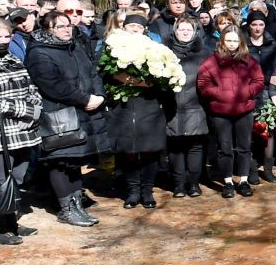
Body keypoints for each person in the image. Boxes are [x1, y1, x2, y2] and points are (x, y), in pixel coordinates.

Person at [24, 11, 110, 227]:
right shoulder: (39, 52)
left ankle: (76, 204)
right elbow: (51, 85)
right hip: (59, 115)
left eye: (68, 25)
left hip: (83, 111)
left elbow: (92, 72)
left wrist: (99, 95)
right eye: (59, 27)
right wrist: (84, 98)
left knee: (73, 162)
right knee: (60, 162)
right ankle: (66, 208)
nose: (65, 30)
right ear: (46, 29)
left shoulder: (73, 45)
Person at [0, 17, 43, 245]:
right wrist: (24, 110)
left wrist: (34, 107)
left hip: (22, 129)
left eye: (7, 36)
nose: (4, 41)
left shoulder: (13, 58)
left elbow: (31, 86)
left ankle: (10, 221)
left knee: (17, 175)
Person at [103, 15, 171, 209]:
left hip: (149, 105)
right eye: (130, 25)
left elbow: (164, 77)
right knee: (128, 152)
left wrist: (144, 82)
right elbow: (103, 73)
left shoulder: (155, 48)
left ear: (144, 29)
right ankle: (132, 191)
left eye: (138, 26)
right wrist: (124, 79)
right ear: (123, 27)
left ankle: (147, 191)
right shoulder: (111, 48)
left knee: (149, 151)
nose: (134, 29)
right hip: (123, 108)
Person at [197, 27, 265, 198]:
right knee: (225, 148)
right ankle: (227, 182)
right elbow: (203, 83)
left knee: (244, 147)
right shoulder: (211, 61)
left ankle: (243, 180)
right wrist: (219, 94)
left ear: (241, 42)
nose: (232, 44)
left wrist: (248, 92)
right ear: (222, 41)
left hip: (244, 109)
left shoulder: (250, 61)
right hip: (220, 111)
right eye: (229, 40)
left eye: (235, 41)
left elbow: (259, 80)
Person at [164, 16, 210, 197]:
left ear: (194, 32)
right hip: (172, 105)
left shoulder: (204, 53)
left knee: (195, 146)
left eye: (188, 30)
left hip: (196, 105)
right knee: (175, 147)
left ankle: (194, 184)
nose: (184, 32)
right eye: (181, 29)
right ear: (174, 31)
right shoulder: (164, 52)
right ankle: (179, 185)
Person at [244, 11, 276, 182]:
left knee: (268, 132)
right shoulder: (242, 46)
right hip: (248, 93)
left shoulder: (273, 45)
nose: (257, 28)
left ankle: (267, 169)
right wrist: (266, 79)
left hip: (268, 93)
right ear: (249, 26)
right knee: (249, 132)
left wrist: (275, 93)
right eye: (254, 24)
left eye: (261, 24)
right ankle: (252, 170)